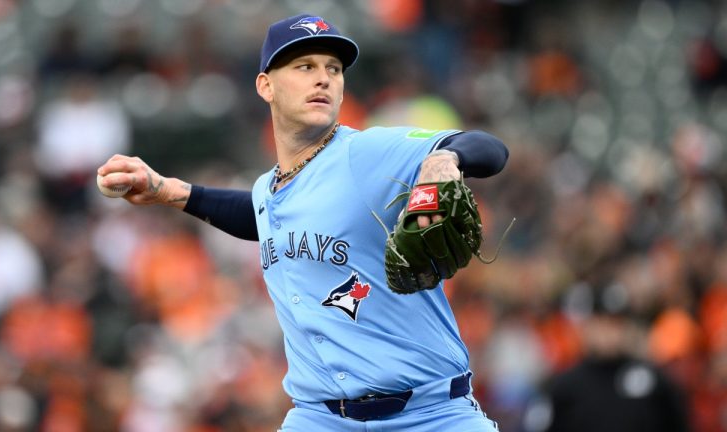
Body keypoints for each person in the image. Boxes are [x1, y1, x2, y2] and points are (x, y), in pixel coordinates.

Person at [98, 14, 508, 431]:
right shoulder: (271, 189)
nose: (324, 79)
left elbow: (489, 148)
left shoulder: (364, 153)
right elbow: (259, 214)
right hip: (319, 418)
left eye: (333, 69)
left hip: (429, 414)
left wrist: (445, 157)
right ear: (266, 86)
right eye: (305, 67)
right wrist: (169, 191)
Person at [523, 283, 690, 432]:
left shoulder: (653, 381)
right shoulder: (565, 386)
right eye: (602, 323)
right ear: (588, 327)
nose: (608, 333)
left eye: (615, 323)